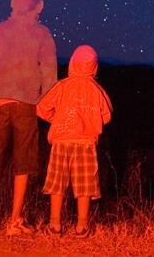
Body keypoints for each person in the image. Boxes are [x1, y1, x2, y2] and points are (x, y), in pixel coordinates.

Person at [0, 0, 57, 236]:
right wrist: (45, 103)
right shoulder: (42, 34)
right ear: (39, 5)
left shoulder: (0, 29)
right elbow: (49, 73)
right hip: (26, 105)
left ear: (13, 2)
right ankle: (14, 221)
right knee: (23, 163)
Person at [37, 44, 113, 237]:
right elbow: (107, 115)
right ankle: (81, 226)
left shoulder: (62, 86)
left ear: (72, 63)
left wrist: (58, 119)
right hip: (85, 143)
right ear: (94, 66)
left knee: (57, 183)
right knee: (84, 185)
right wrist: (93, 122)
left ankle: (55, 225)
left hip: (61, 140)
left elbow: (42, 108)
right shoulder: (97, 90)